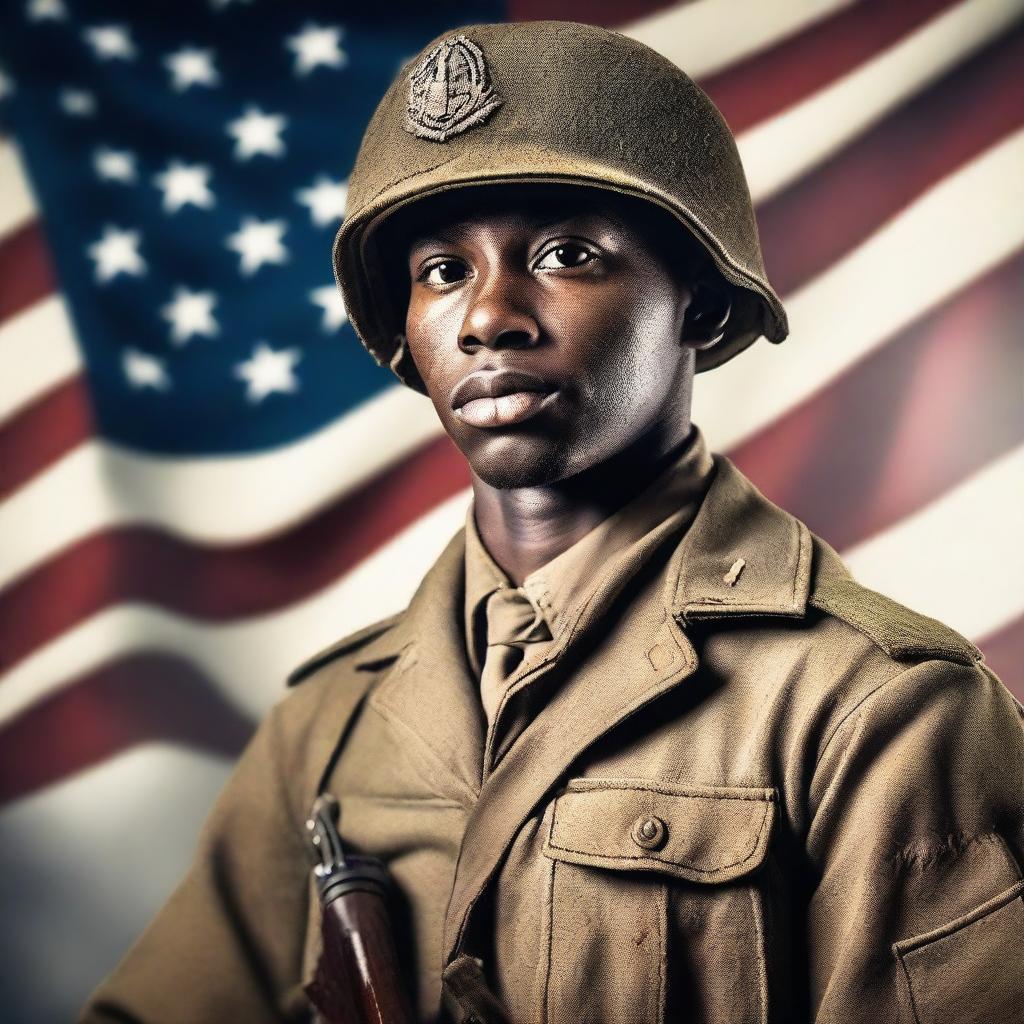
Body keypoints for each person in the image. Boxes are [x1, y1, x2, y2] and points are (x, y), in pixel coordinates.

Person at [82, 20, 1024, 1024]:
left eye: (566, 254)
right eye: (441, 271)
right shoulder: (328, 725)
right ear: (400, 332)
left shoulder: (872, 712)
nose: (487, 315)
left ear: (698, 306)